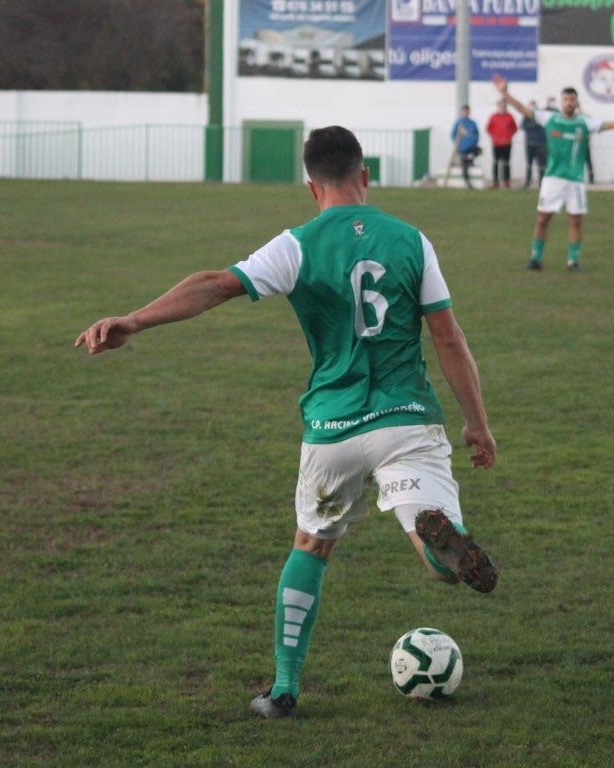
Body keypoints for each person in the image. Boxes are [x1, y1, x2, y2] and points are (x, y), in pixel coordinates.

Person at [75, 126, 499, 720]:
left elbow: (215, 285)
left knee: (312, 544)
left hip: (334, 429)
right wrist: (477, 423)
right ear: (365, 176)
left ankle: (282, 689)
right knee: (438, 556)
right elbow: (448, 336)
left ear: (310, 187)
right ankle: (437, 541)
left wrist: (136, 320)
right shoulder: (411, 241)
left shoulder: (297, 245)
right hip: (407, 419)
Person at [494, 75, 614, 271]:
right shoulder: (549, 118)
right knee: (542, 219)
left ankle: (573, 262)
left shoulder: (585, 123)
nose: (569, 103)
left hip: (575, 181)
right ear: (562, 102)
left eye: (572, 99)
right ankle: (536, 259)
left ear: (576, 102)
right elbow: (523, 109)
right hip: (553, 178)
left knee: (575, 222)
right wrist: (504, 92)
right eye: (566, 99)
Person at [486, 98, 519, 189]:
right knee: (496, 163)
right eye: (500, 105)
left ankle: (506, 181)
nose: (502, 107)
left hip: (507, 143)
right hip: (496, 144)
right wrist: (495, 136)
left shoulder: (510, 116)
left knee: (506, 163)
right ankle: (495, 182)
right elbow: (488, 129)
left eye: (503, 105)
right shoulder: (493, 117)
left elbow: (515, 128)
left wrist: (509, 136)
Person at [450, 105, 483, 189]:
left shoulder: (472, 123)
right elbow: (453, 135)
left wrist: (474, 142)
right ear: (461, 112)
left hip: (471, 147)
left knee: (479, 151)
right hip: (462, 148)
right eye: (464, 111)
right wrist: (458, 145)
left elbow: (476, 134)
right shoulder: (458, 123)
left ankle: (469, 159)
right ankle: (467, 183)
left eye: (467, 112)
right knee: (464, 166)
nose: (465, 113)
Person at [520, 99, 547, 190]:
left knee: (542, 165)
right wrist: (535, 125)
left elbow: (544, 125)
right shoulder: (526, 117)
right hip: (529, 143)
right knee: (529, 164)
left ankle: (542, 183)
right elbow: (523, 126)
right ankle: (528, 182)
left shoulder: (541, 116)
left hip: (541, 144)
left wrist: (534, 125)